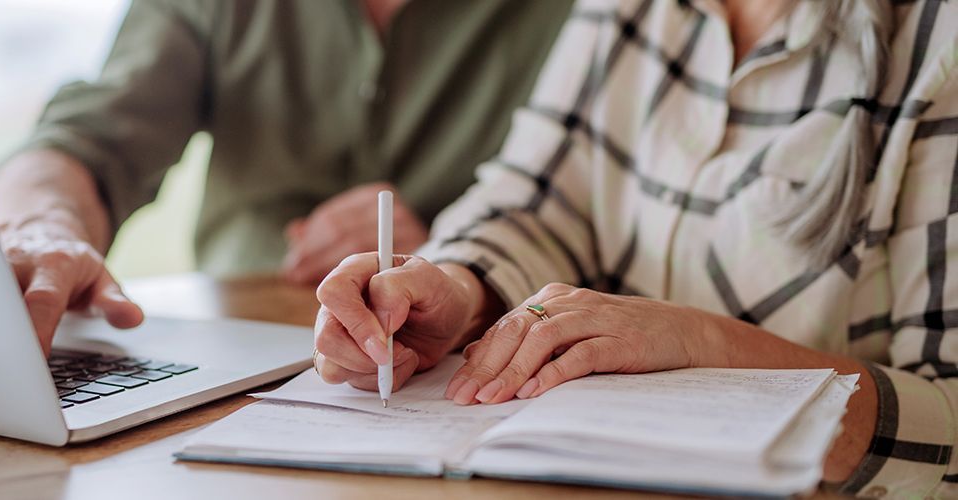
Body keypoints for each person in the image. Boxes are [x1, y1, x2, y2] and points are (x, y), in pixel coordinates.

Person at [313, 0, 958, 496]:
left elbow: (949, 422)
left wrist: (703, 343)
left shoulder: (939, 38)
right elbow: (532, 202)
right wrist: (453, 290)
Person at [0, 0, 573, 353]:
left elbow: (606, 210)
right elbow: (87, 138)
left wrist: (454, 249)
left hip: (461, 358)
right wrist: (43, 226)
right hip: (230, 356)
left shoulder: (587, 18)